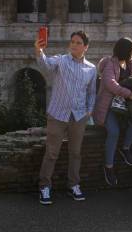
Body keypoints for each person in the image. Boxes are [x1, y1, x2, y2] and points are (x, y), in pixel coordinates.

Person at [34, 30, 97, 205]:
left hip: (79, 116)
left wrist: (89, 110)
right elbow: (45, 65)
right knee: (52, 153)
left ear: (86, 47)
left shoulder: (91, 68)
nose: (74, 45)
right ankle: (44, 186)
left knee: (75, 153)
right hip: (58, 114)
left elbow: (91, 92)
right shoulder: (61, 60)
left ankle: (73, 185)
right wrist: (39, 51)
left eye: (78, 43)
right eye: (72, 42)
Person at [93, 37, 132, 186]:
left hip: (123, 106)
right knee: (113, 132)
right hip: (108, 106)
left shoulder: (130, 64)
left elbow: (131, 81)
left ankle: (125, 148)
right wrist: (128, 93)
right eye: (131, 50)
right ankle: (109, 167)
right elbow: (109, 84)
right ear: (125, 50)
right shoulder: (110, 64)